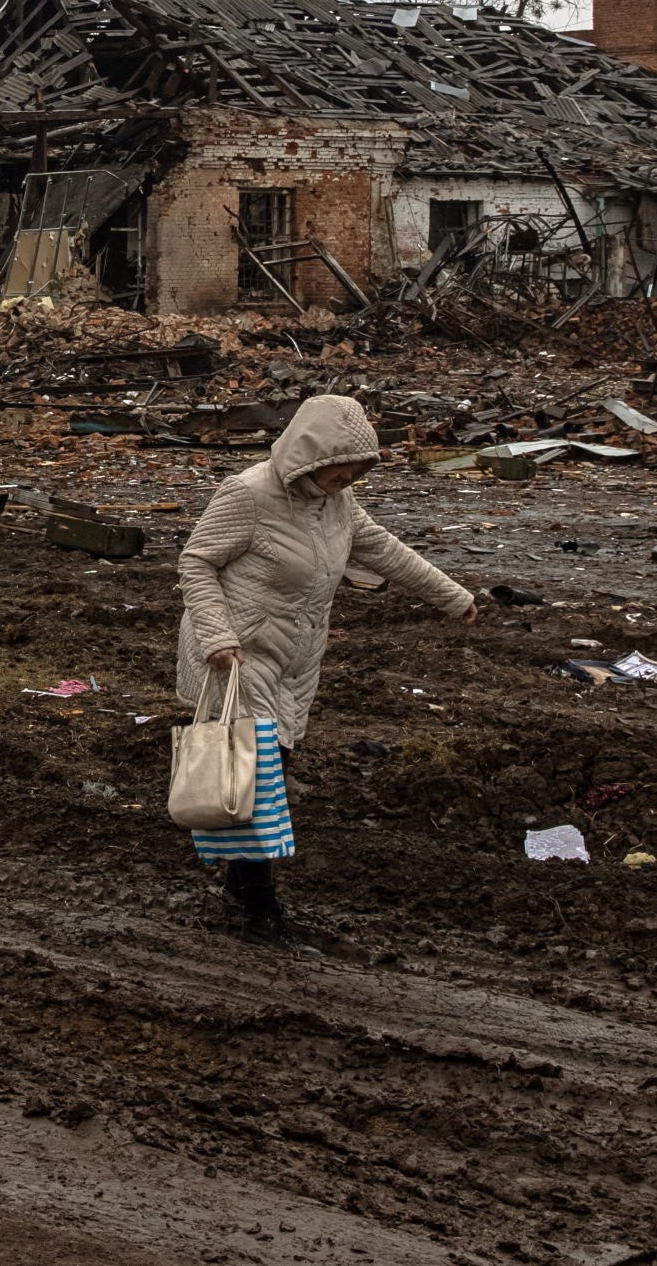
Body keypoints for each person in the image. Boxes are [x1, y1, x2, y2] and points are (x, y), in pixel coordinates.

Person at [175, 393, 478, 944]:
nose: (348, 478)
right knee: (260, 776)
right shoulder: (247, 493)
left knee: (265, 774)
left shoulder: (337, 502)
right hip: (239, 654)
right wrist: (217, 637)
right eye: (341, 467)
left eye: (358, 470)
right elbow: (196, 562)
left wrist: (452, 597)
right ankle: (259, 908)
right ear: (309, 455)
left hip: (296, 658)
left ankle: (240, 891)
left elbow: (383, 550)